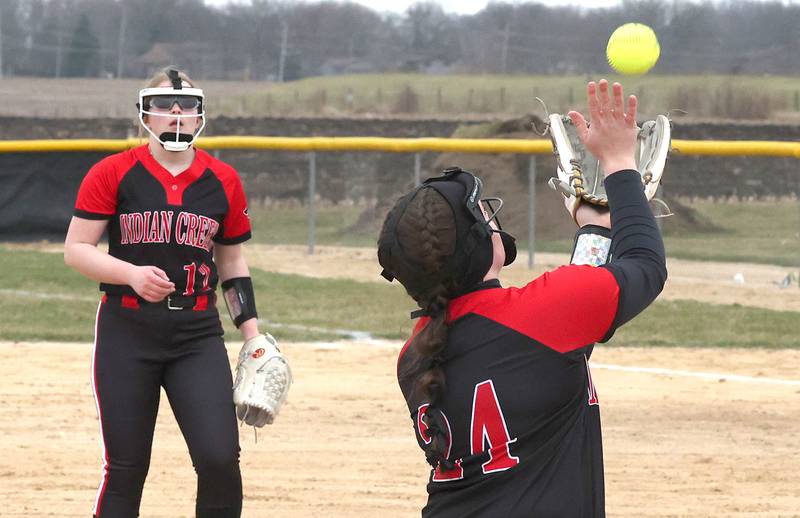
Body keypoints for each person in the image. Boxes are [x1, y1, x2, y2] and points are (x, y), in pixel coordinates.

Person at [377, 79, 667, 517]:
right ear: (477, 249)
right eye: (484, 217)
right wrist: (620, 165)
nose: (493, 221)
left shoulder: (415, 356)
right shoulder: (544, 319)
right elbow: (645, 264)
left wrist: (593, 228)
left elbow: (565, 324)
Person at [64, 67, 276, 518]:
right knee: (126, 468)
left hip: (196, 333)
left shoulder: (223, 179)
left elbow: (232, 263)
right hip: (127, 328)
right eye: (163, 106)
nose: (175, 116)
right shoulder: (113, 172)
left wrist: (253, 336)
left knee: (220, 459)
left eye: (187, 107)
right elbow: (77, 250)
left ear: (201, 116)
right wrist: (132, 275)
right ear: (146, 113)